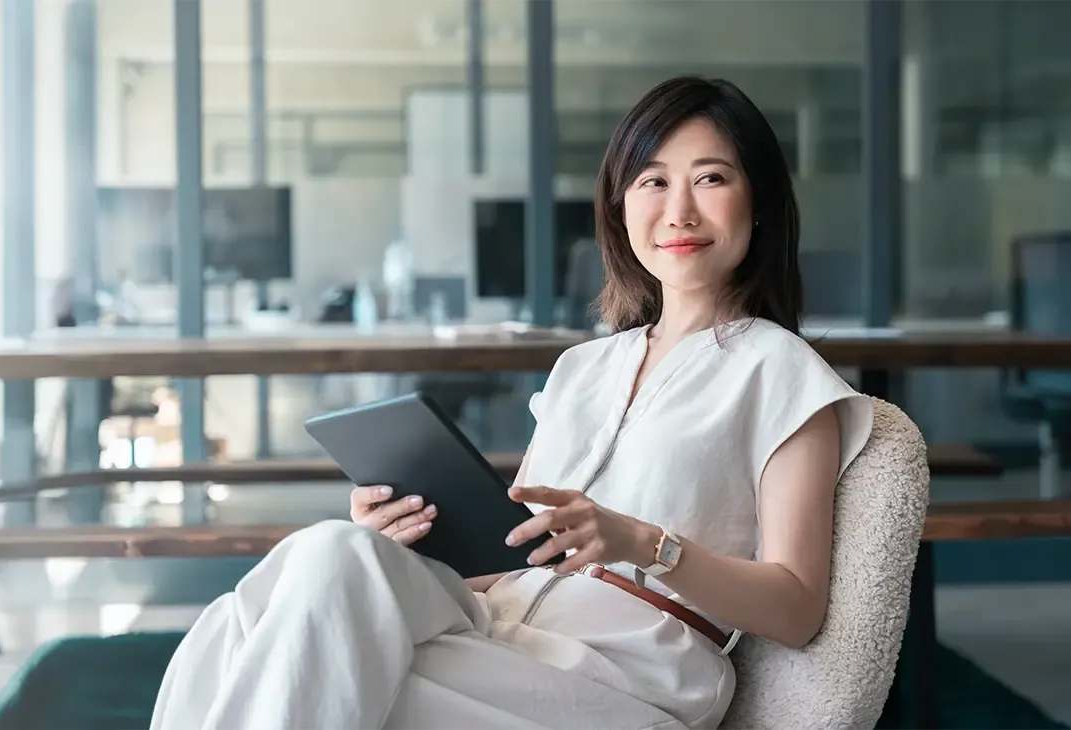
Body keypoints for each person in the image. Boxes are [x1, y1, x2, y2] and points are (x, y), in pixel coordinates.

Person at [148, 76, 876, 730]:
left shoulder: (783, 372)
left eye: (710, 178)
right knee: (322, 560)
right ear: (621, 207)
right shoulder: (583, 369)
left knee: (301, 664)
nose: (678, 209)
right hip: (499, 629)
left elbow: (797, 607)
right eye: (653, 182)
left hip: (631, 675)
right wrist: (409, 534)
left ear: (760, 206)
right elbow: (513, 561)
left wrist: (642, 544)